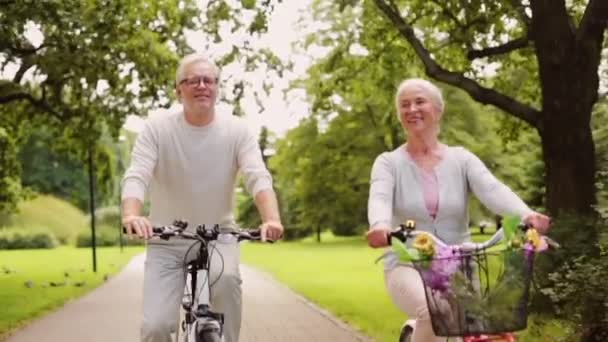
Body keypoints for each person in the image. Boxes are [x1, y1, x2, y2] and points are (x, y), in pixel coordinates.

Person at [366, 78, 550, 342]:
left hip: (460, 263)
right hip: (408, 264)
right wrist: (380, 225)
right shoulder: (388, 163)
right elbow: (380, 196)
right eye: (404, 105)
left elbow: (493, 189)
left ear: (438, 111)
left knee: (481, 327)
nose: (411, 109)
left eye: (419, 101)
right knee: (434, 310)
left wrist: (525, 214)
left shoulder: (461, 159)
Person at [121, 52, 284, 342]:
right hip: (167, 239)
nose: (202, 86)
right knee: (155, 326)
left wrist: (271, 219)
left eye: (209, 80)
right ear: (178, 90)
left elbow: (257, 176)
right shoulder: (157, 129)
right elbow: (137, 174)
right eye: (192, 80)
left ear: (217, 88)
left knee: (228, 282)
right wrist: (132, 215)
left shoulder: (237, 130)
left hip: (220, 237)